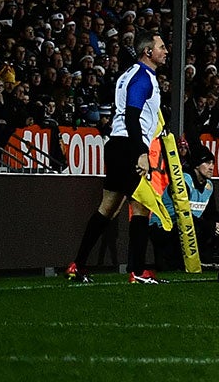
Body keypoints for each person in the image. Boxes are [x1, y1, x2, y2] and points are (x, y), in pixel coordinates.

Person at [66, 31, 167, 284]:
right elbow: (132, 116)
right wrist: (141, 153)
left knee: (108, 208)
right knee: (142, 205)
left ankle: (77, 265)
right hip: (128, 146)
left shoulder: (128, 75)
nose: (166, 51)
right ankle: (138, 271)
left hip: (117, 143)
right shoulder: (143, 78)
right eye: (162, 47)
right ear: (148, 52)